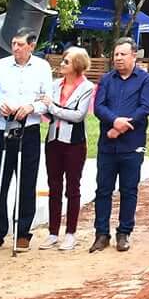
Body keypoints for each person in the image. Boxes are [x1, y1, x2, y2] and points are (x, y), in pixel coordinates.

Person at [0, 30, 53, 250]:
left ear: (31, 46)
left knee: (27, 180)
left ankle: (23, 231)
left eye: (21, 44)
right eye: (13, 43)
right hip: (3, 128)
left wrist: (32, 107)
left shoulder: (42, 67)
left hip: (29, 129)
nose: (16, 48)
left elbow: (47, 99)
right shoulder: (1, 66)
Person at [89, 38, 149, 253]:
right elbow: (99, 107)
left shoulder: (145, 80)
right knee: (103, 189)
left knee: (129, 190)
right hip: (107, 145)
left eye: (122, 54)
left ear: (134, 55)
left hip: (131, 145)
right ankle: (101, 233)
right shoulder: (107, 80)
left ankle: (124, 232)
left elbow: (145, 108)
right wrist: (114, 121)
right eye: (115, 54)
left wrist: (122, 127)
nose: (117, 58)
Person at [43, 46, 95, 250]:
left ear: (77, 65)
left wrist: (54, 108)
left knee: (73, 187)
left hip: (74, 142)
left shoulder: (86, 87)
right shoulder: (55, 85)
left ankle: (71, 232)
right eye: (63, 60)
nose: (62, 64)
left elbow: (78, 115)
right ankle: (53, 232)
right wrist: (53, 110)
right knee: (54, 186)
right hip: (53, 139)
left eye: (67, 61)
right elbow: (49, 112)